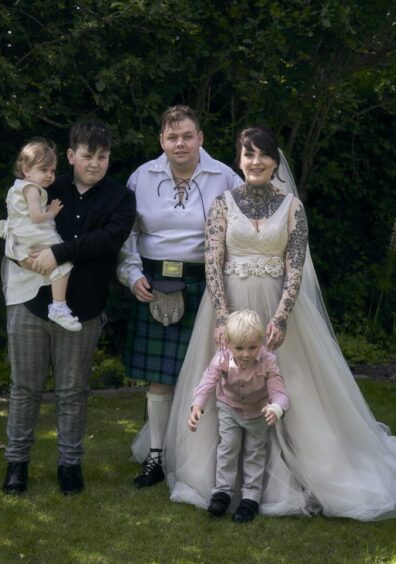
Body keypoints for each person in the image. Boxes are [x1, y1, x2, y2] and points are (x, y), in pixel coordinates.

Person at [159, 126, 396, 520]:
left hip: (277, 306)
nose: (255, 162)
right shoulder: (222, 204)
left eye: (263, 155)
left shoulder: (293, 208)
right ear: (239, 160)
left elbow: (295, 265)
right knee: (225, 382)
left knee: (294, 386)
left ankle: (300, 471)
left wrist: (283, 315)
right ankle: (221, 480)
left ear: (275, 161)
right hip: (230, 306)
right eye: (248, 154)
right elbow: (212, 261)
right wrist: (222, 316)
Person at [1, 120, 136, 496]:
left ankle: (70, 466)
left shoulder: (120, 199)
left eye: (103, 156)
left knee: (72, 391)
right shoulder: (46, 186)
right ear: (71, 156)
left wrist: (57, 252)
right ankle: (16, 465)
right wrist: (23, 258)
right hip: (29, 301)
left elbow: (107, 241)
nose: (94, 163)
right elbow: (15, 229)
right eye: (87, 155)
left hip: (83, 307)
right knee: (24, 388)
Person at [118, 105, 241, 488]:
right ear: (161, 141)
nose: (180, 144)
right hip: (153, 283)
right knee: (159, 379)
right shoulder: (141, 176)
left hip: (206, 285)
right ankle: (157, 456)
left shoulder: (225, 177)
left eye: (187, 136)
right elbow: (128, 235)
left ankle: (205, 456)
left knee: (208, 373)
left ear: (201, 138)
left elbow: (245, 228)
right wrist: (132, 274)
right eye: (172, 137)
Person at [187, 309, 289, 523]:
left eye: (252, 347)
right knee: (228, 448)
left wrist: (276, 409)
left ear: (261, 342)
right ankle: (222, 493)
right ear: (228, 343)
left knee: (255, 453)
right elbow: (207, 382)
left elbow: (280, 393)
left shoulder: (268, 361)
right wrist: (197, 406)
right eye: (239, 348)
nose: (245, 354)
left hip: (258, 412)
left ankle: (251, 498)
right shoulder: (221, 358)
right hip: (229, 408)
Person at [0, 138, 81, 331]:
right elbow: (35, 216)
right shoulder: (32, 189)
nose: (50, 176)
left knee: (53, 266)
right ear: (26, 170)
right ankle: (58, 306)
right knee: (64, 263)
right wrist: (51, 211)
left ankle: (57, 305)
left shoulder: (17, 187)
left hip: (21, 236)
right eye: (44, 170)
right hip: (32, 234)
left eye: (52, 171)